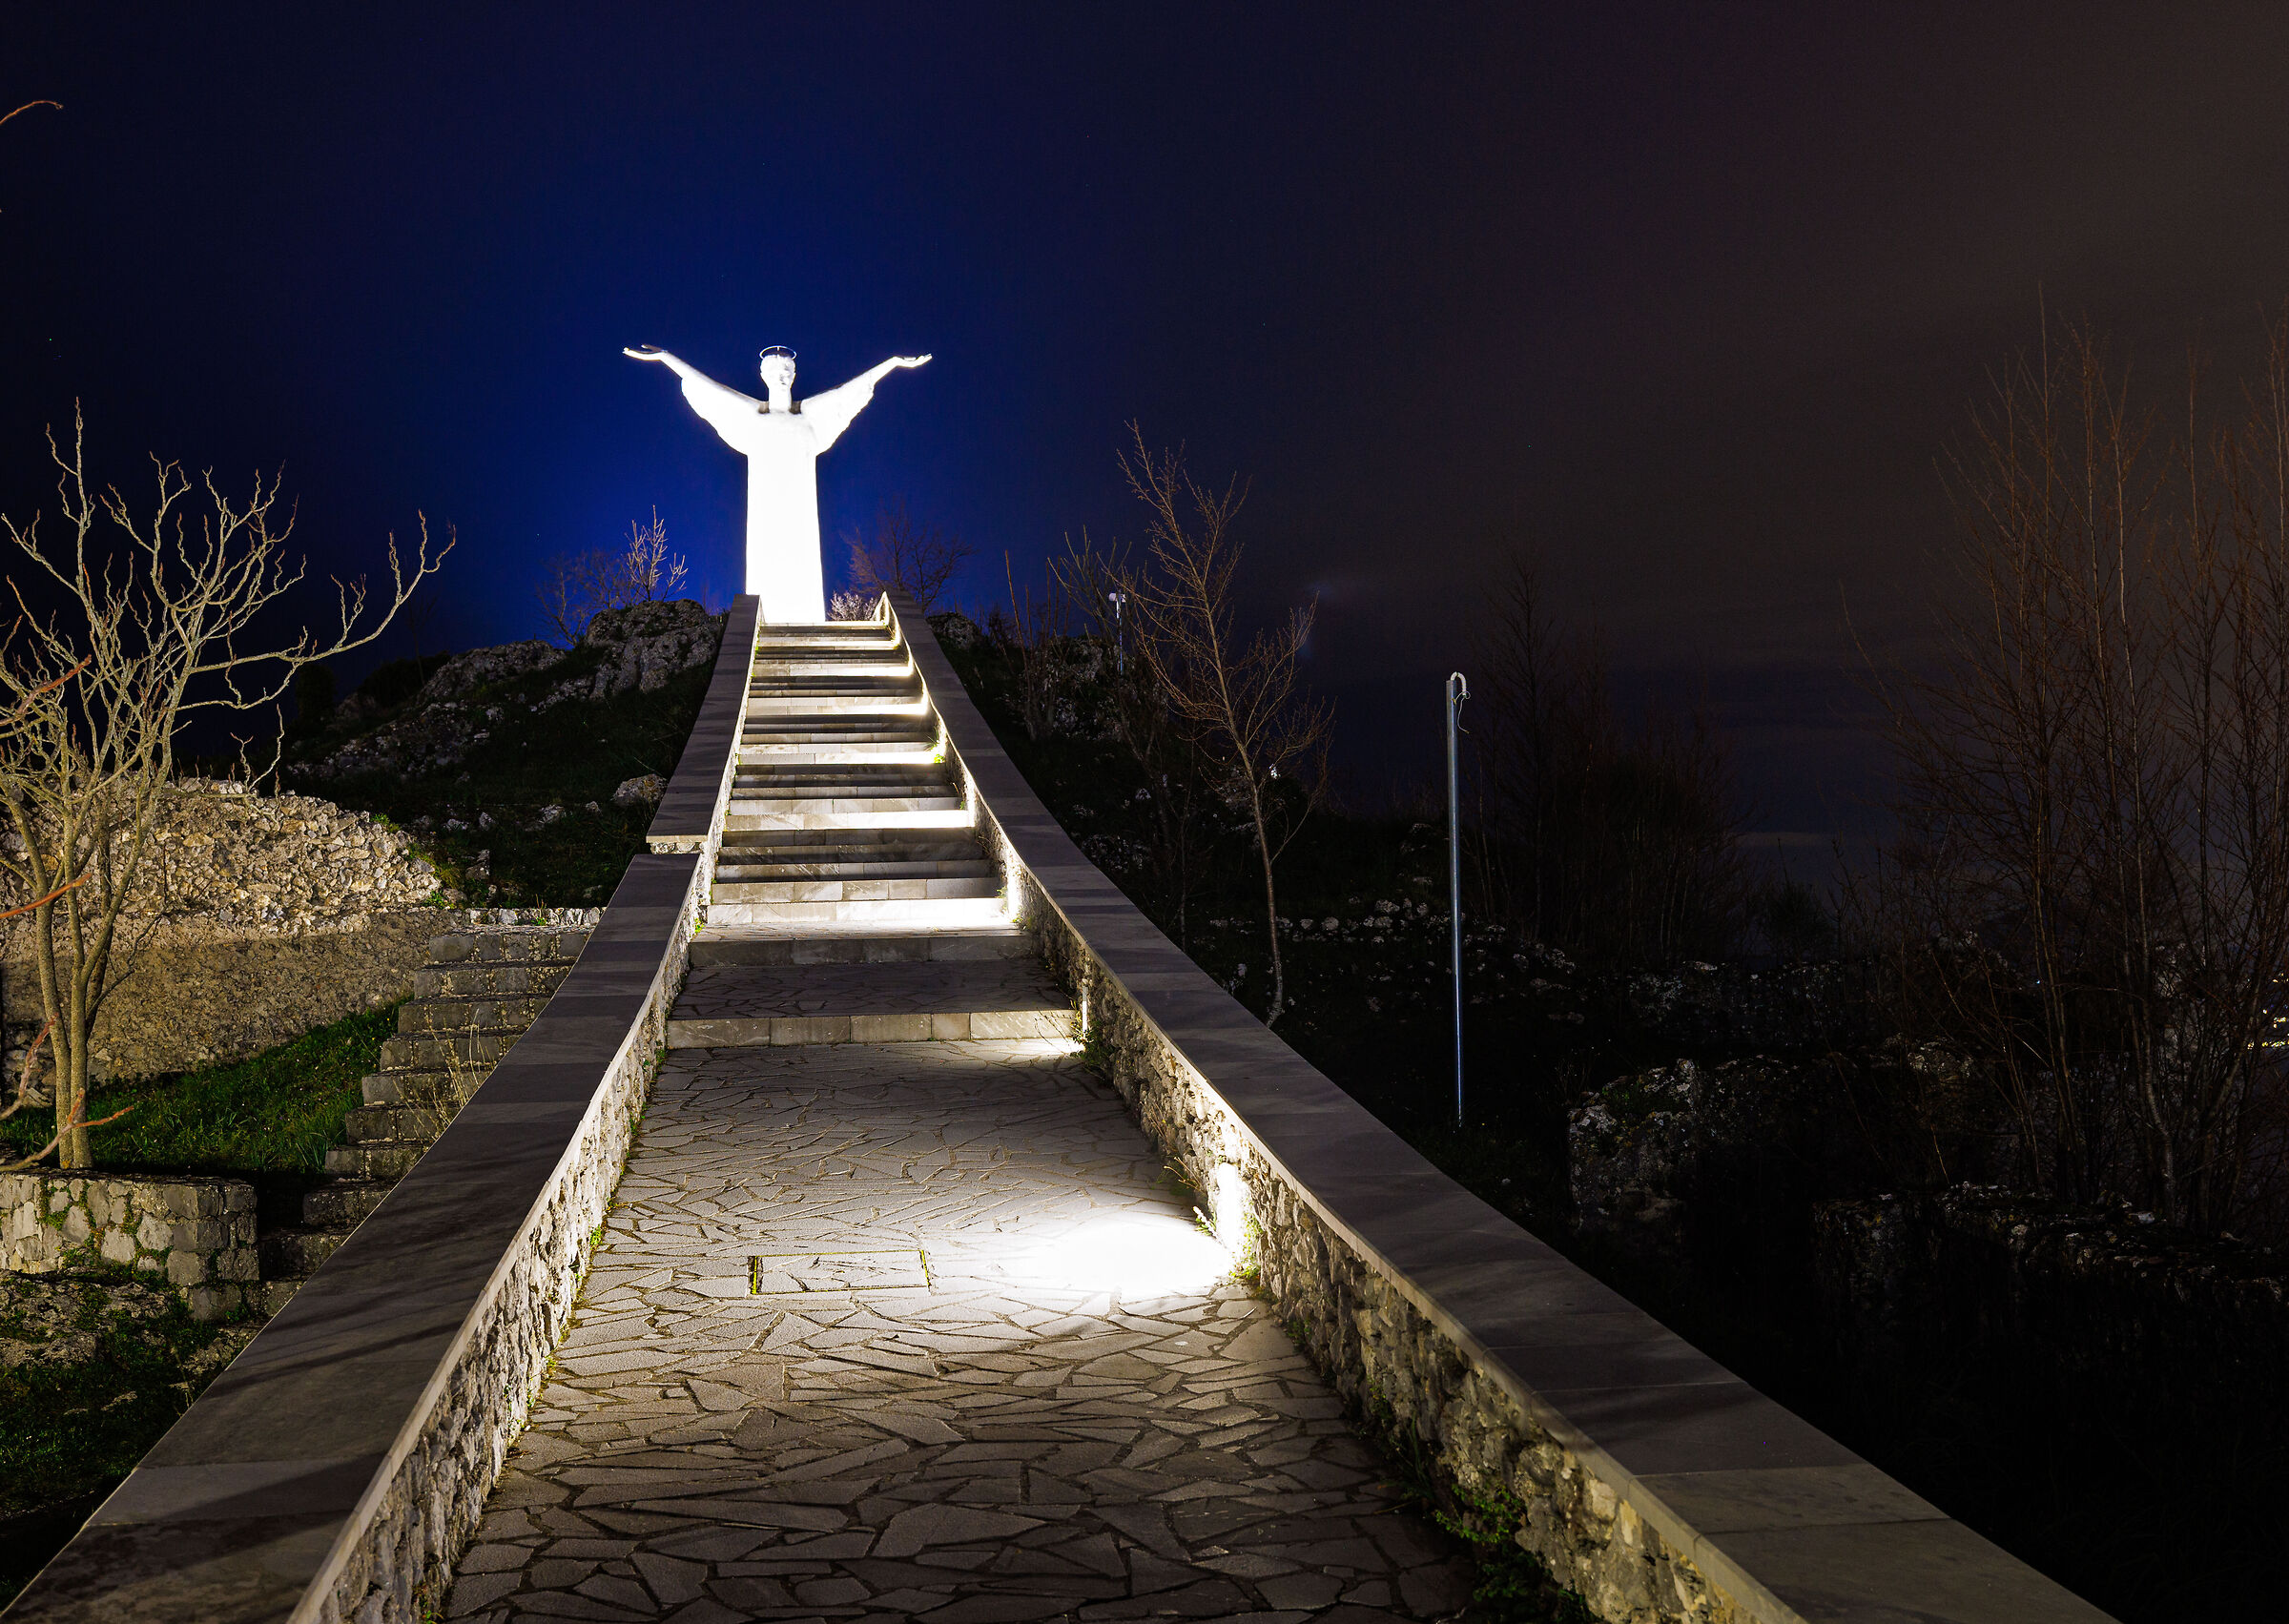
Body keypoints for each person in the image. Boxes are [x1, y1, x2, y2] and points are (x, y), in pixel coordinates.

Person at [624, 343, 930, 621]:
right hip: (765, 513)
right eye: (775, 370)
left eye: (787, 370)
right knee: (765, 568)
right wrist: (666, 358)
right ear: (763, 375)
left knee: (803, 565)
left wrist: (891, 363)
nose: (782, 375)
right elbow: (710, 389)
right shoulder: (753, 417)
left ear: (794, 374)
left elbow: (851, 390)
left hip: (801, 514)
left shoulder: (808, 416)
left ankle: (806, 617)